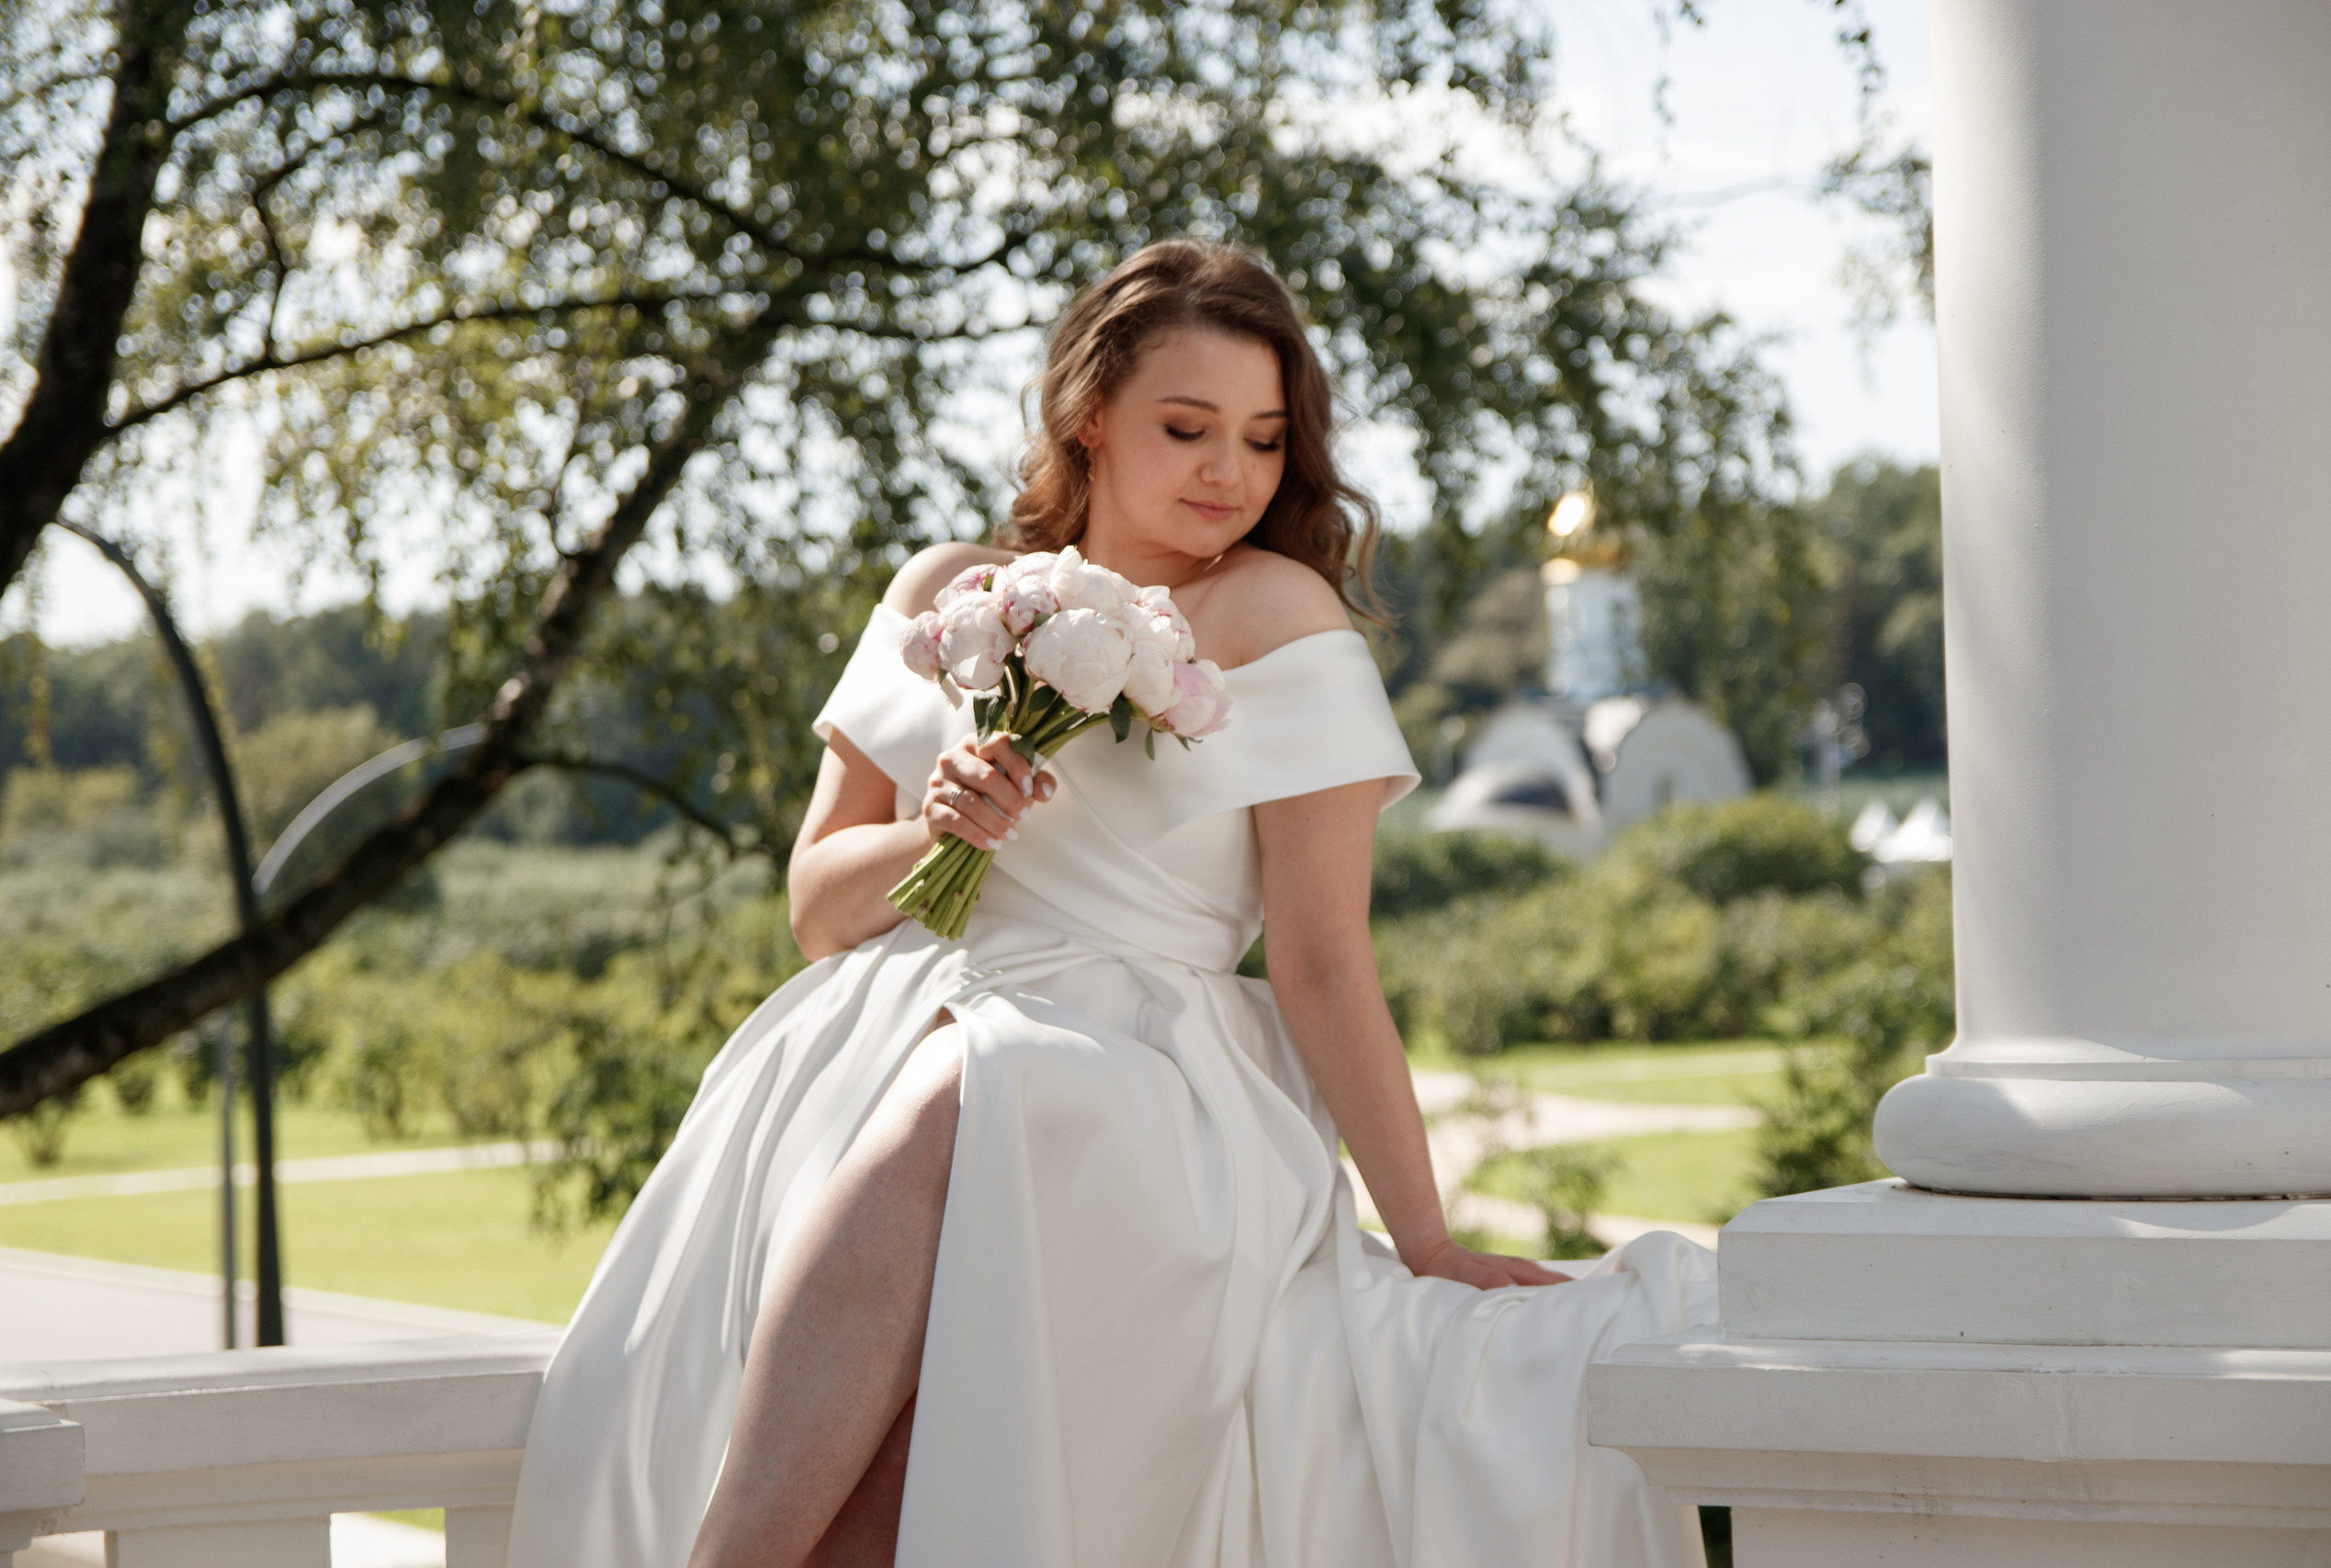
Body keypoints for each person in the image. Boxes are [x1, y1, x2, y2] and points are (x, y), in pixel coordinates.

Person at [504, 239, 1717, 1568]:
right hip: (900, 1032)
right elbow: (816, 907)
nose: (1230, 473)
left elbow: (1321, 958)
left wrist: (1421, 1236)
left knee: (991, 1080)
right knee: (939, 1283)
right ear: (1091, 420)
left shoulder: (1276, 610)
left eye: (1264, 440)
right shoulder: (940, 592)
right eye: (1188, 428)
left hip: (1159, 1079)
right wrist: (939, 826)